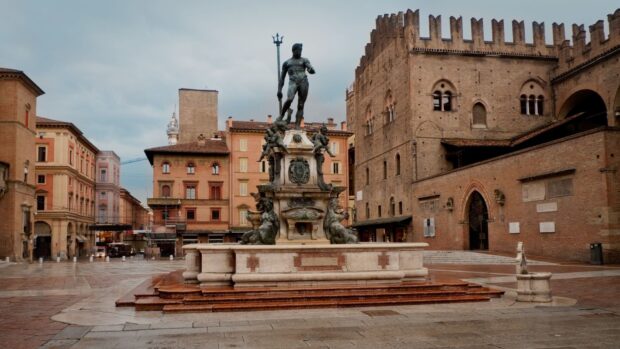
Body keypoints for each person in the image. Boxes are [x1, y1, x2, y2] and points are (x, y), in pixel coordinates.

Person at [277, 43, 315, 129]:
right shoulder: (287, 63)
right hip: (293, 81)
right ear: (293, 51)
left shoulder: (305, 60)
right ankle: (281, 115)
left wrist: (310, 69)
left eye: (301, 50)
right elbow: (282, 78)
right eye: (298, 50)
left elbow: (312, 71)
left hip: (303, 82)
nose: (300, 52)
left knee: (301, 105)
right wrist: (279, 90)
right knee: (290, 98)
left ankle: (297, 125)